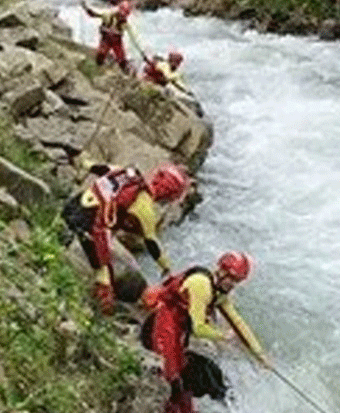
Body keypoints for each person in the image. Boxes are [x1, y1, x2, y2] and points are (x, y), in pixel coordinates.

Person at [140, 251, 271, 413]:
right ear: (221, 271)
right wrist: (223, 336)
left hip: (177, 330)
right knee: (173, 379)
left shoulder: (219, 292)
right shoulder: (201, 284)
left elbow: (237, 322)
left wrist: (259, 354)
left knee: (185, 379)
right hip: (160, 326)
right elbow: (199, 328)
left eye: (237, 281)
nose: (233, 284)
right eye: (231, 278)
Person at [61, 162, 193, 315]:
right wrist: (166, 268)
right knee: (104, 276)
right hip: (89, 227)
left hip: (73, 207)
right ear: (169, 196)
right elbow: (152, 243)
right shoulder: (146, 209)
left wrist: (77, 160)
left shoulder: (128, 174)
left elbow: (98, 167)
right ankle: (96, 313)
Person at [82, 0, 144, 73]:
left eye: (125, 15)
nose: (123, 17)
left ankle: (125, 72)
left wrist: (142, 52)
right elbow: (96, 14)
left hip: (117, 42)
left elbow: (133, 38)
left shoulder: (125, 24)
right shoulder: (108, 15)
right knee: (100, 55)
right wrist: (86, 8)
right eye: (122, 15)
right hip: (106, 40)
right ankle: (98, 68)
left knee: (122, 60)